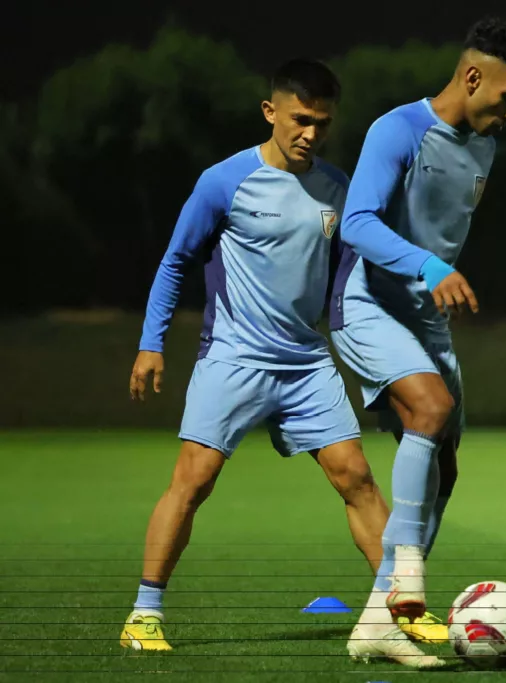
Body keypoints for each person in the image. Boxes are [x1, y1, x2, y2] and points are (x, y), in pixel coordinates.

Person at [120, 58, 439, 667]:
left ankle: (399, 613)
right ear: (271, 112)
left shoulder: (340, 188)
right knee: (193, 481)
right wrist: (150, 342)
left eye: (322, 124)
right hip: (233, 357)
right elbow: (174, 260)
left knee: (357, 478)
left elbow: (349, 280)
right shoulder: (224, 181)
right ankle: (144, 612)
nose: (310, 135)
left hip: (306, 361)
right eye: (299, 120)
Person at [328, 17, 506, 662]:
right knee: (432, 409)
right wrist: (429, 268)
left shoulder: (484, 144)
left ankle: (374, 623)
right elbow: (358, 224)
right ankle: (406, 580)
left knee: (444, 470)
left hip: (425, 319)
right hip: (365, 303)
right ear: (473, 77)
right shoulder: (396, 130)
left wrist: (435, 285)